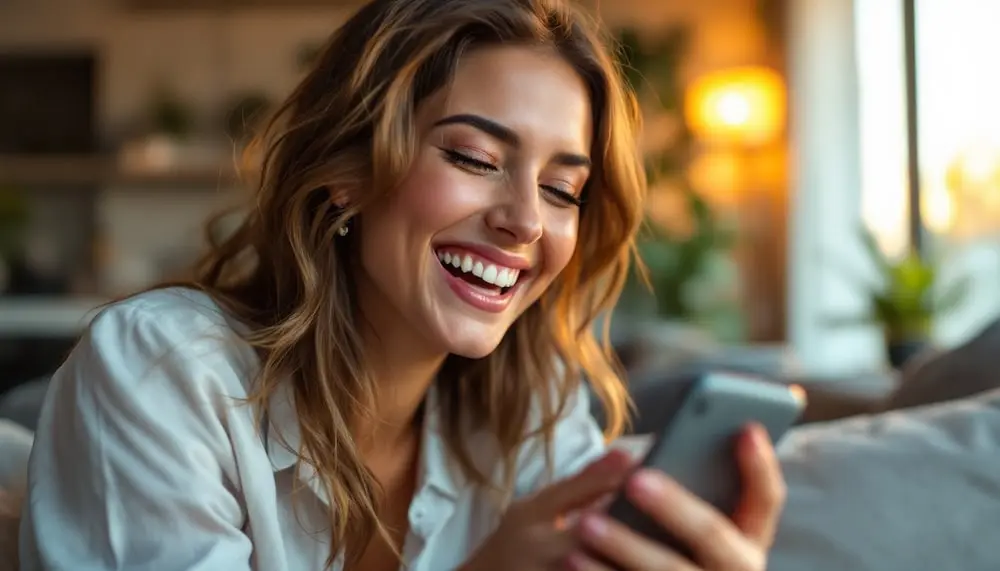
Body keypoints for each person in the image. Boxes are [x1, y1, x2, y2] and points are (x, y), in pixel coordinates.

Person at [19, 0, 787, 569]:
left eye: (562, 190)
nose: (525, 220)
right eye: (475, 159)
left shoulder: (535, 421)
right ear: (348, 174)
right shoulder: (162, 368)